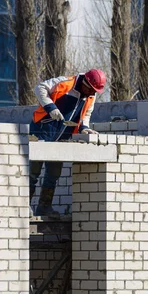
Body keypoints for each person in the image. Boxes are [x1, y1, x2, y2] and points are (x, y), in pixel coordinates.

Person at [29, 69, 107, 219]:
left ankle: (44, 207)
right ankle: (23, 206)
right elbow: (40, 88)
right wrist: (50, 107)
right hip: (42, 130)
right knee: (34, 171)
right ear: (85, 82)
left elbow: (86, 114)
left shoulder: (90, 95)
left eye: (94, 90)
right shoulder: (67, 83)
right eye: (90, 89)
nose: (91, 92)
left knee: (53, 174)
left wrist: (84, 128)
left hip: (63, 136)